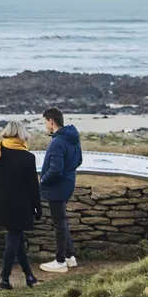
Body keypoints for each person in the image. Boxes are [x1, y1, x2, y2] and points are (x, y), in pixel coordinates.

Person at [0, 120, 42, 290]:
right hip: (20, 204)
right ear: (21, 135)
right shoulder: (27, 157)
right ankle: (4, 277)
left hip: (0, 202)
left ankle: (29, 275)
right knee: (14, 237)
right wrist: (37, 207)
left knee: (16, 237)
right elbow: (33, 185)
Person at [38, 106, 82, 273]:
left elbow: (56, 169)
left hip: (56, 188)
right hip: (68, 184)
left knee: (59, 224)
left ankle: (60, 261)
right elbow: (78, 160)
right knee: (62, 221)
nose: (45, 126)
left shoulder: (57, 142)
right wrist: (67, 175)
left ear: (51, 121)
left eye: (45, 122)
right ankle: (70, 257)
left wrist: (43, 179)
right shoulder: (74, 139)